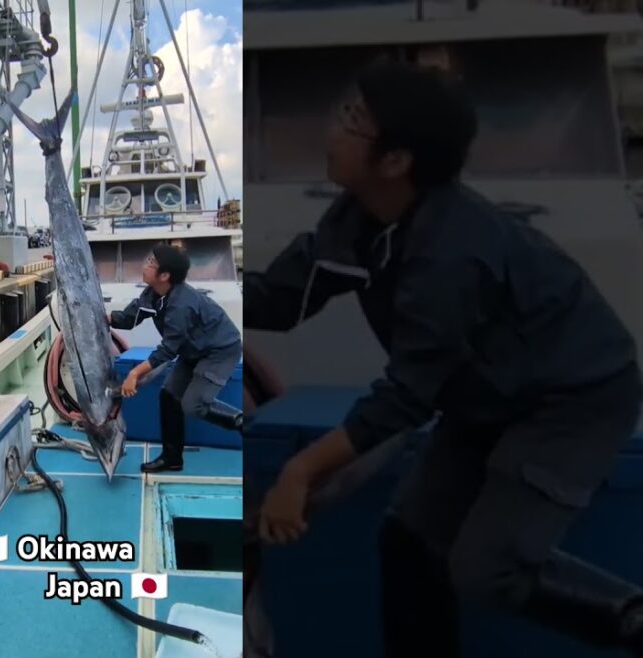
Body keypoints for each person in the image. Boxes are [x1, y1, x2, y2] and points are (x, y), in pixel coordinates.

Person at [246, 61, 643, 656]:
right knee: (409, 541)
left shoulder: (451, 254)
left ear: (397, 160)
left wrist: (300, 473)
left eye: (354, 120)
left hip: (571, 400)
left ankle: (633, 619)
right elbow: (279, 300)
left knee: (485, 569)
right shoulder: (358, 219)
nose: (333, 128)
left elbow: (405, 399)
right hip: (480, 392)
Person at [109, 243, 243, 473]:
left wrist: (134, 373)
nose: (145, 265)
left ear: (165, 275)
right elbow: (129, 318)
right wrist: (104, 317)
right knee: (169, 395)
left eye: (151, 263)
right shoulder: (153, 293)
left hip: (219, 350)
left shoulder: (181, 304)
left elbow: (168, 350)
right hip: (193, 350)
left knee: (194, 405)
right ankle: (172, 458)